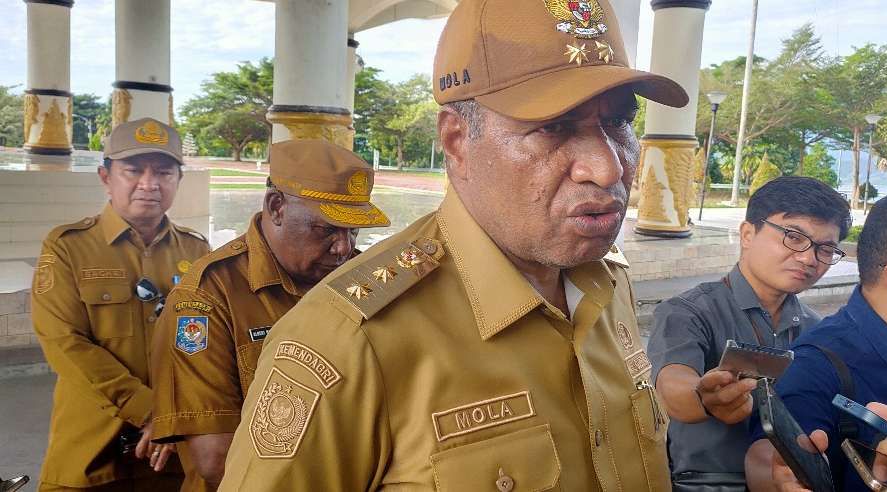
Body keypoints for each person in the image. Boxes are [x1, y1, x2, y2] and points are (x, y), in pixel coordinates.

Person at [218, 0, 690, 489]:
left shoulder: (607, 283)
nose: (609, 168)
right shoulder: (347, 341)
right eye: (554, 126)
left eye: (619, 122)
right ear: (457, 140)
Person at [149, 139, 389, 490]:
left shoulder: (360, 277)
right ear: (276, 207)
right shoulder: (207, 297)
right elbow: (217, 460)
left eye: (353, 230)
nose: (343, 248)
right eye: (326, 230)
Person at [31, 118, 210, 491]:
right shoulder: (68, 247)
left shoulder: (196, 251)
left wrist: (181, 416)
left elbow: (206, 346)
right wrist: (149, 410)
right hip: (91, 452)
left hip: (173, 454)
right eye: (133, 170)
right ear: (105, 177)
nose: (149, 183)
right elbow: (65, 343)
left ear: (178, 180)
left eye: (163, 172)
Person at [647, 176, 851, 490]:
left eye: (825, 249)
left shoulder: (817, 330)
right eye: (794, 237)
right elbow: (672, 386)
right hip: (705, 484)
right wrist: (706, 397)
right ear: (747, 234)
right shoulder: (687, 311)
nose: (808, 258)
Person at [745, 194, 887, 492]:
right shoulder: (815, 364)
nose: (807, 258)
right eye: (794, 238)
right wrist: (780, 480)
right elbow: (768, 459)